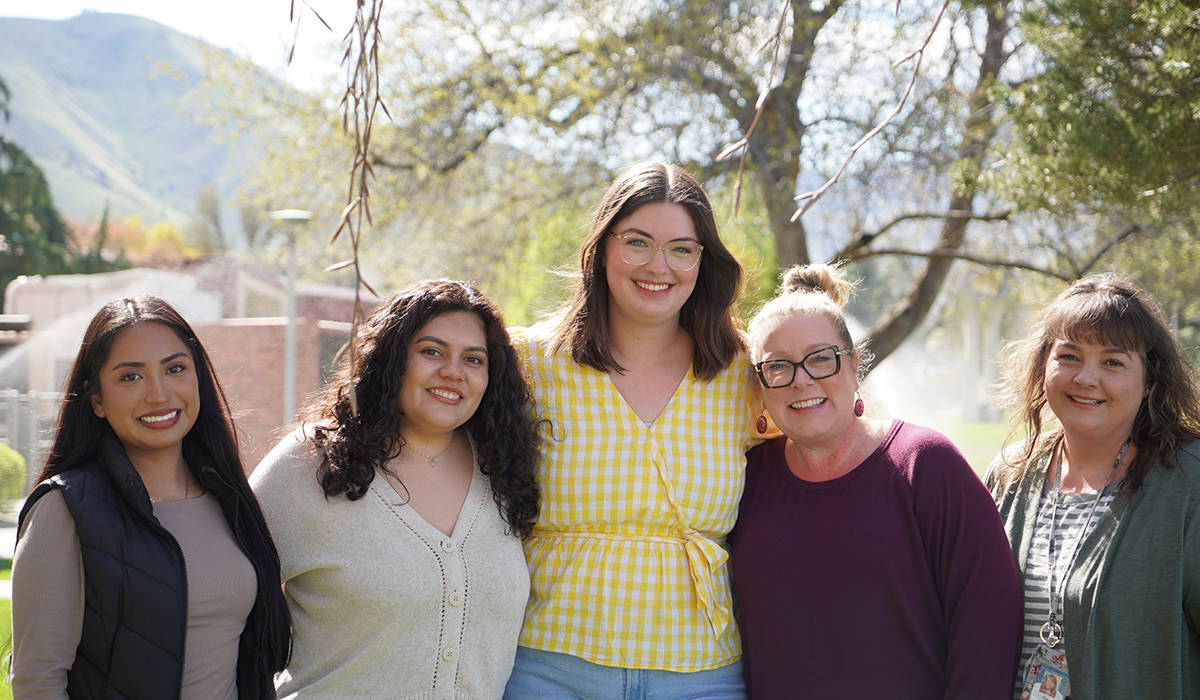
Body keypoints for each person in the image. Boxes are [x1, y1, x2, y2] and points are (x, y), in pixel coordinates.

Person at [503, 161, 757, 698]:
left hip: (702, 673)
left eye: (682, 248)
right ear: (602, 248)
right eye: (637, 241)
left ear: (702, 260)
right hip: (551, 664)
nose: (658, 265)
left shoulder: (746, 375)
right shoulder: (529, 364)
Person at [730, 263, 1023, 699]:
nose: (802, 380)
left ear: (854, 365)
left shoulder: (924, 464)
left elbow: (989, 620)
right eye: (778, 367)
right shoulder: (745, 481)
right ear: (760, 385)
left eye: (820, 359)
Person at [249, 279, 539, 699]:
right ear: (391, 359)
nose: (453, 371)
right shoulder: (314, 461)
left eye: (473, 359)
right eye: (431, 351)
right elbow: (219, 593)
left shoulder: (503, 468)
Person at [11, 296, 291, 700]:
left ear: (198, 378)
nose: (159, 394)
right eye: (130, 377)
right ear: (97, 402)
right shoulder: (65, 508)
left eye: (175, 369)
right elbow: (38, 681)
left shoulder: (230, 497)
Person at [987, 273, 1200, 700]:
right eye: (1069, 355)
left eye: (1113, 361)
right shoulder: (1010, 474)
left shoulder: (1188, 481)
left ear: (1150, 380)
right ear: (1043, 363)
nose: (1086, 377)